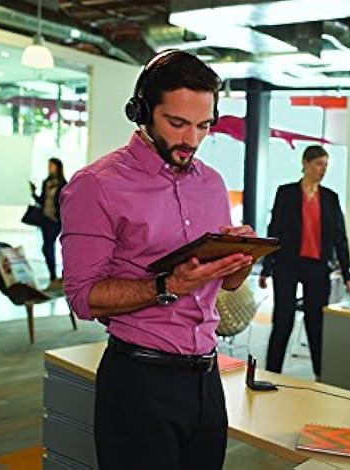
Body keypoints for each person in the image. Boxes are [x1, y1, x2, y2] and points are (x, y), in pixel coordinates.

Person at [60, 50, 255, 470]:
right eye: (177, 123)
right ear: (143, 113)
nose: (191, 140)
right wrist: (170, 285)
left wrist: (239, 262)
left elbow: (225, 285)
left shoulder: (212, 183)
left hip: (207, 378)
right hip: (139, 381)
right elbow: (82, 297)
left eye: (203, 126)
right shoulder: (96, 185)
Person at [259, 145, 350, 378]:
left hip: (317, 267)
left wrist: (347, 274)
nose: (323, 170)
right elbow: (274, 231)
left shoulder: (330, 198)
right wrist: (266, 267)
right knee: (283, 320)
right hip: (287, 264)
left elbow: (340, 238)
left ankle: (320, 376)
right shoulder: (286, 193)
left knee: (316, 323)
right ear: (305, 163)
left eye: (326, 165)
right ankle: (271, 374)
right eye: (318, 164)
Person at [29, 158, 66, 283]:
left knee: (47, 246)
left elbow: (65, 202)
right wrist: (33, 193)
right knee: (48, 247)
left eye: (52, 166)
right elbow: (42, 201)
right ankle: (52, 275)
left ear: (58, 167)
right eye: (49, 165)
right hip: (45, 219)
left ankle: (54, 275)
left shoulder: (63, 184)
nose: (49, 168)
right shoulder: (46, 182)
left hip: (56, 221)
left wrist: (59, 214)